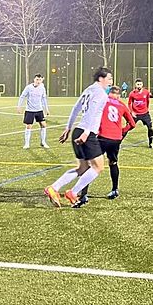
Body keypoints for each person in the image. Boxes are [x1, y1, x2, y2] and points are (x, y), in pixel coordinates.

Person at [43, 68, 113, 208]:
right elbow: (92, 112)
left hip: (77, 131)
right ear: (101, 79)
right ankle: (73, 192)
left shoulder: (88, 90)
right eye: (109, 78)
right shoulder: (101, 93)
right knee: (98, 167)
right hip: (87, 133)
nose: (111, 81)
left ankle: (54, 188)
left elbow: (76, 108)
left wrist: (68, 128)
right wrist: (87, 132)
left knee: (82, 168)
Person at [74, 85, 137, 207]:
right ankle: (114, 190)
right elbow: (132, 124)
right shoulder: (122, 105)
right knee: (113, 162)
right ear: (118, 95)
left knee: (90, 164)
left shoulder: (102, 102)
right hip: (116, 140)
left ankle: (83, 195)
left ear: (109, 93)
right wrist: (122, 131)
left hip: (102, 138)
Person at [17, 73, 50, 149]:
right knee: (29, 126)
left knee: (43, 125)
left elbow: (44, 99)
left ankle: (43, 142)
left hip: (39, 110)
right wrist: (19, 106)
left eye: (40, 80)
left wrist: (46, 109)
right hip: (30, 110)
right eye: (37, 79)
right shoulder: (28, 87)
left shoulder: (42, 88)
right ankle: (27, 144)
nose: (38, 81)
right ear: (34, 79)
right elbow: (22, 96)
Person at [128, 78, 153, 148]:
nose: (139, 86)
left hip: (145, 113)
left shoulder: (146, 92)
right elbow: (129, 103)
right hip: (136, 114)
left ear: (142, 85)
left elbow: (148, 101)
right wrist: (132, 112)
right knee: (128, 127)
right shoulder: (132, 93)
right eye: (138, 84)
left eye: (140, 84)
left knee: (150, 127)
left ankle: (151, 144)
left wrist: (146, 110)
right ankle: (118, 141)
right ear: (135, 85)